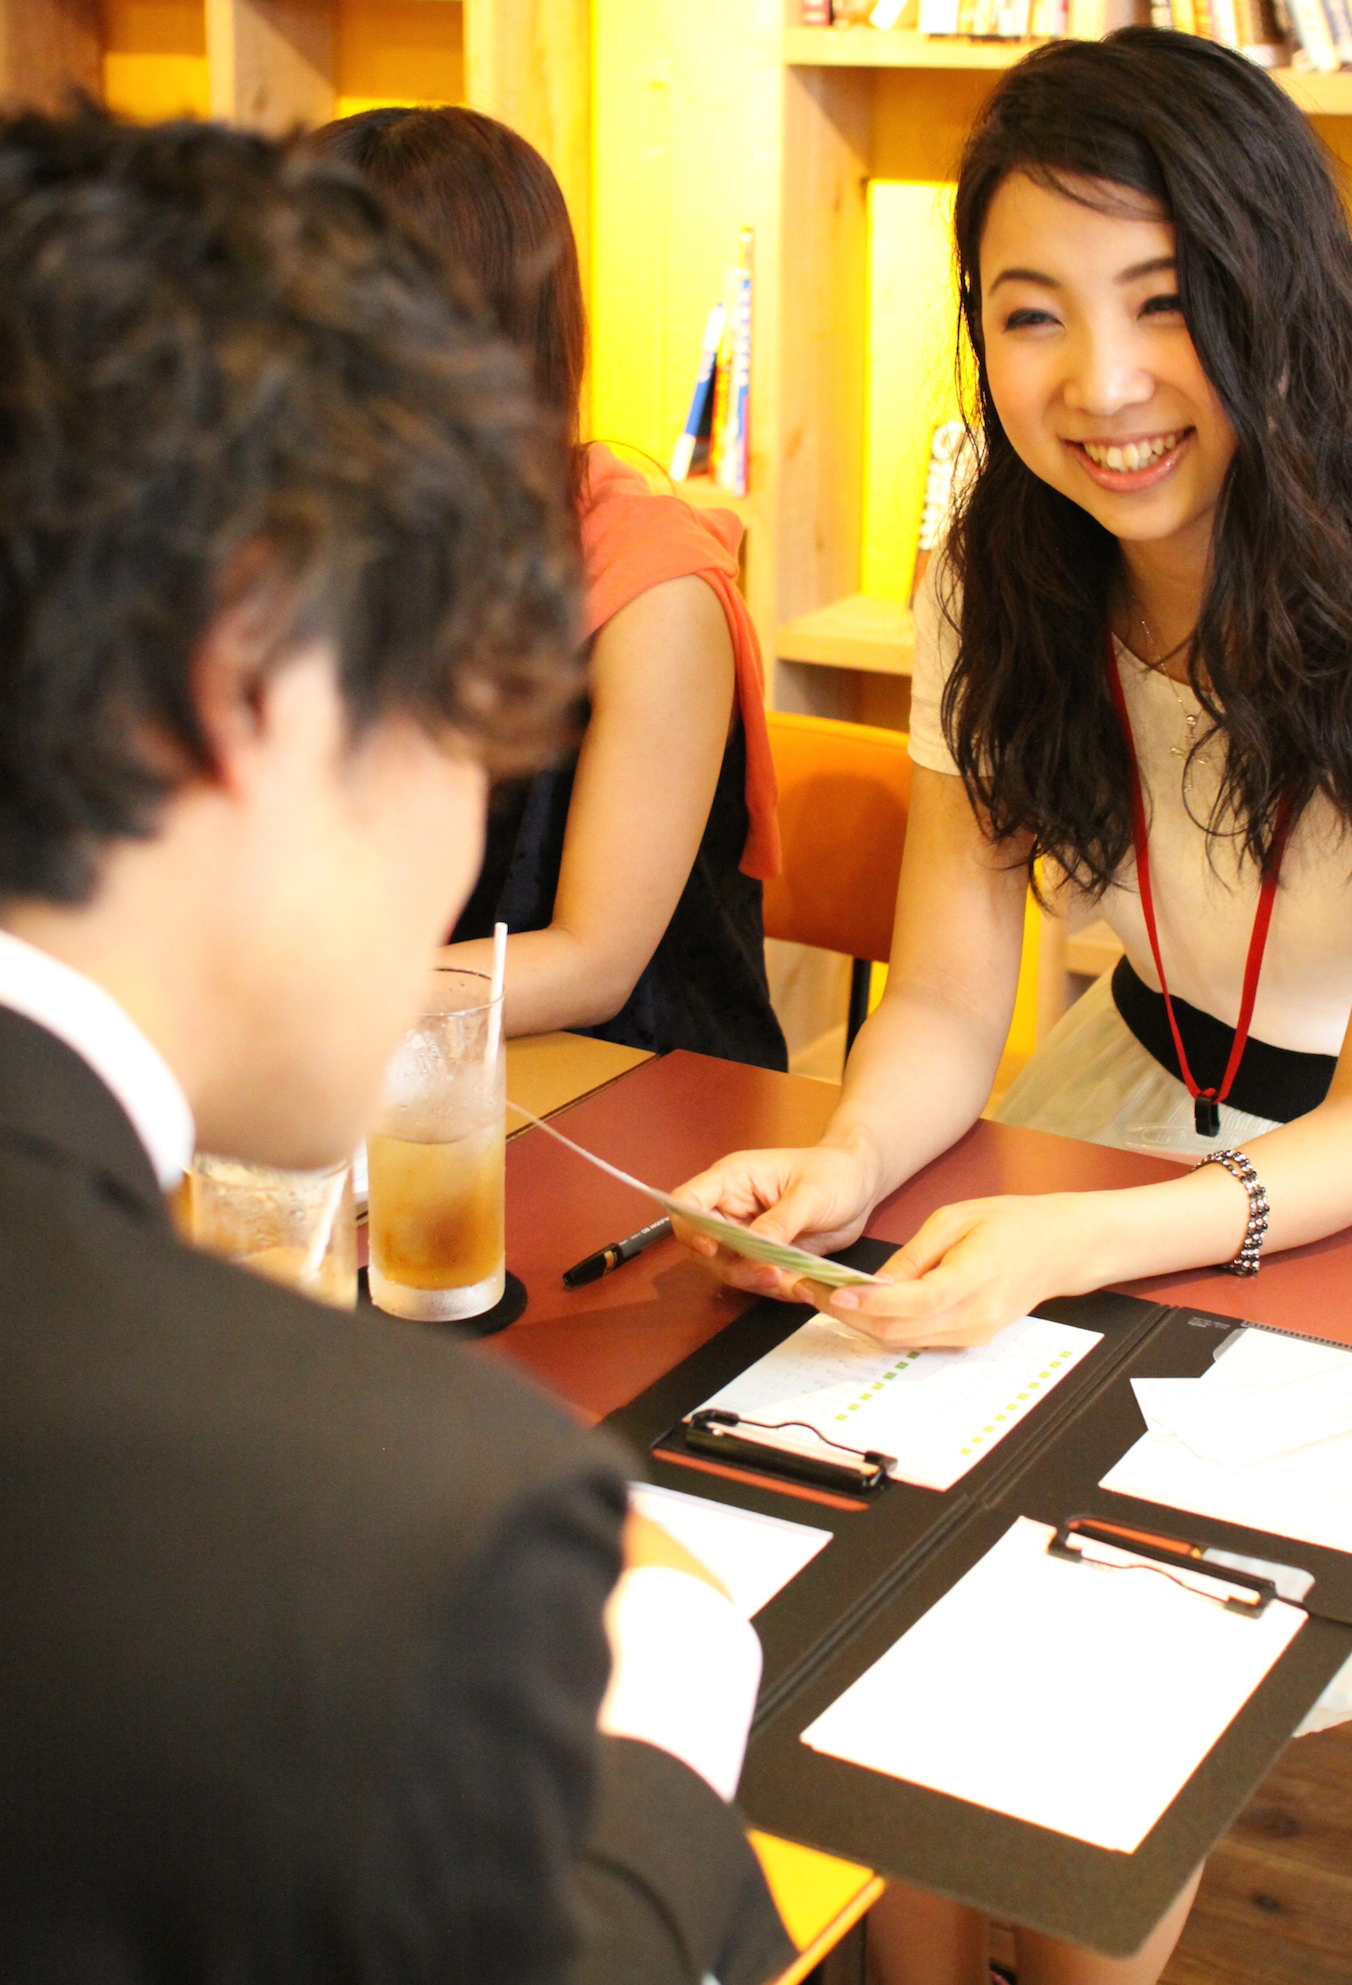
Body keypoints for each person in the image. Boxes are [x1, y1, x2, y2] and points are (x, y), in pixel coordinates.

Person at [673, 28, 1352, 1985]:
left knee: (1093, 1669)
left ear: (1272, 297)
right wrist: (853, 1161)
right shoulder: (994, 565)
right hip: (1117, 1095)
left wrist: (1057, 1240)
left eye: (1162, 304)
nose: (1100, 387)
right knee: (848, 1558)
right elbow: (954, 1002)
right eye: (1030, 315)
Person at [0, 106, 793, 1985]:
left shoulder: (650, 568)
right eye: (458, 718)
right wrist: (682, 1677)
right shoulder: (420, 1526)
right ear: (262, 691)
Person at [306, 106, 787, 1070]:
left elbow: (591, 962)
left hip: (629, 1090)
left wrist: (285, 1005)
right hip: (384, 1066)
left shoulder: (653, 596)